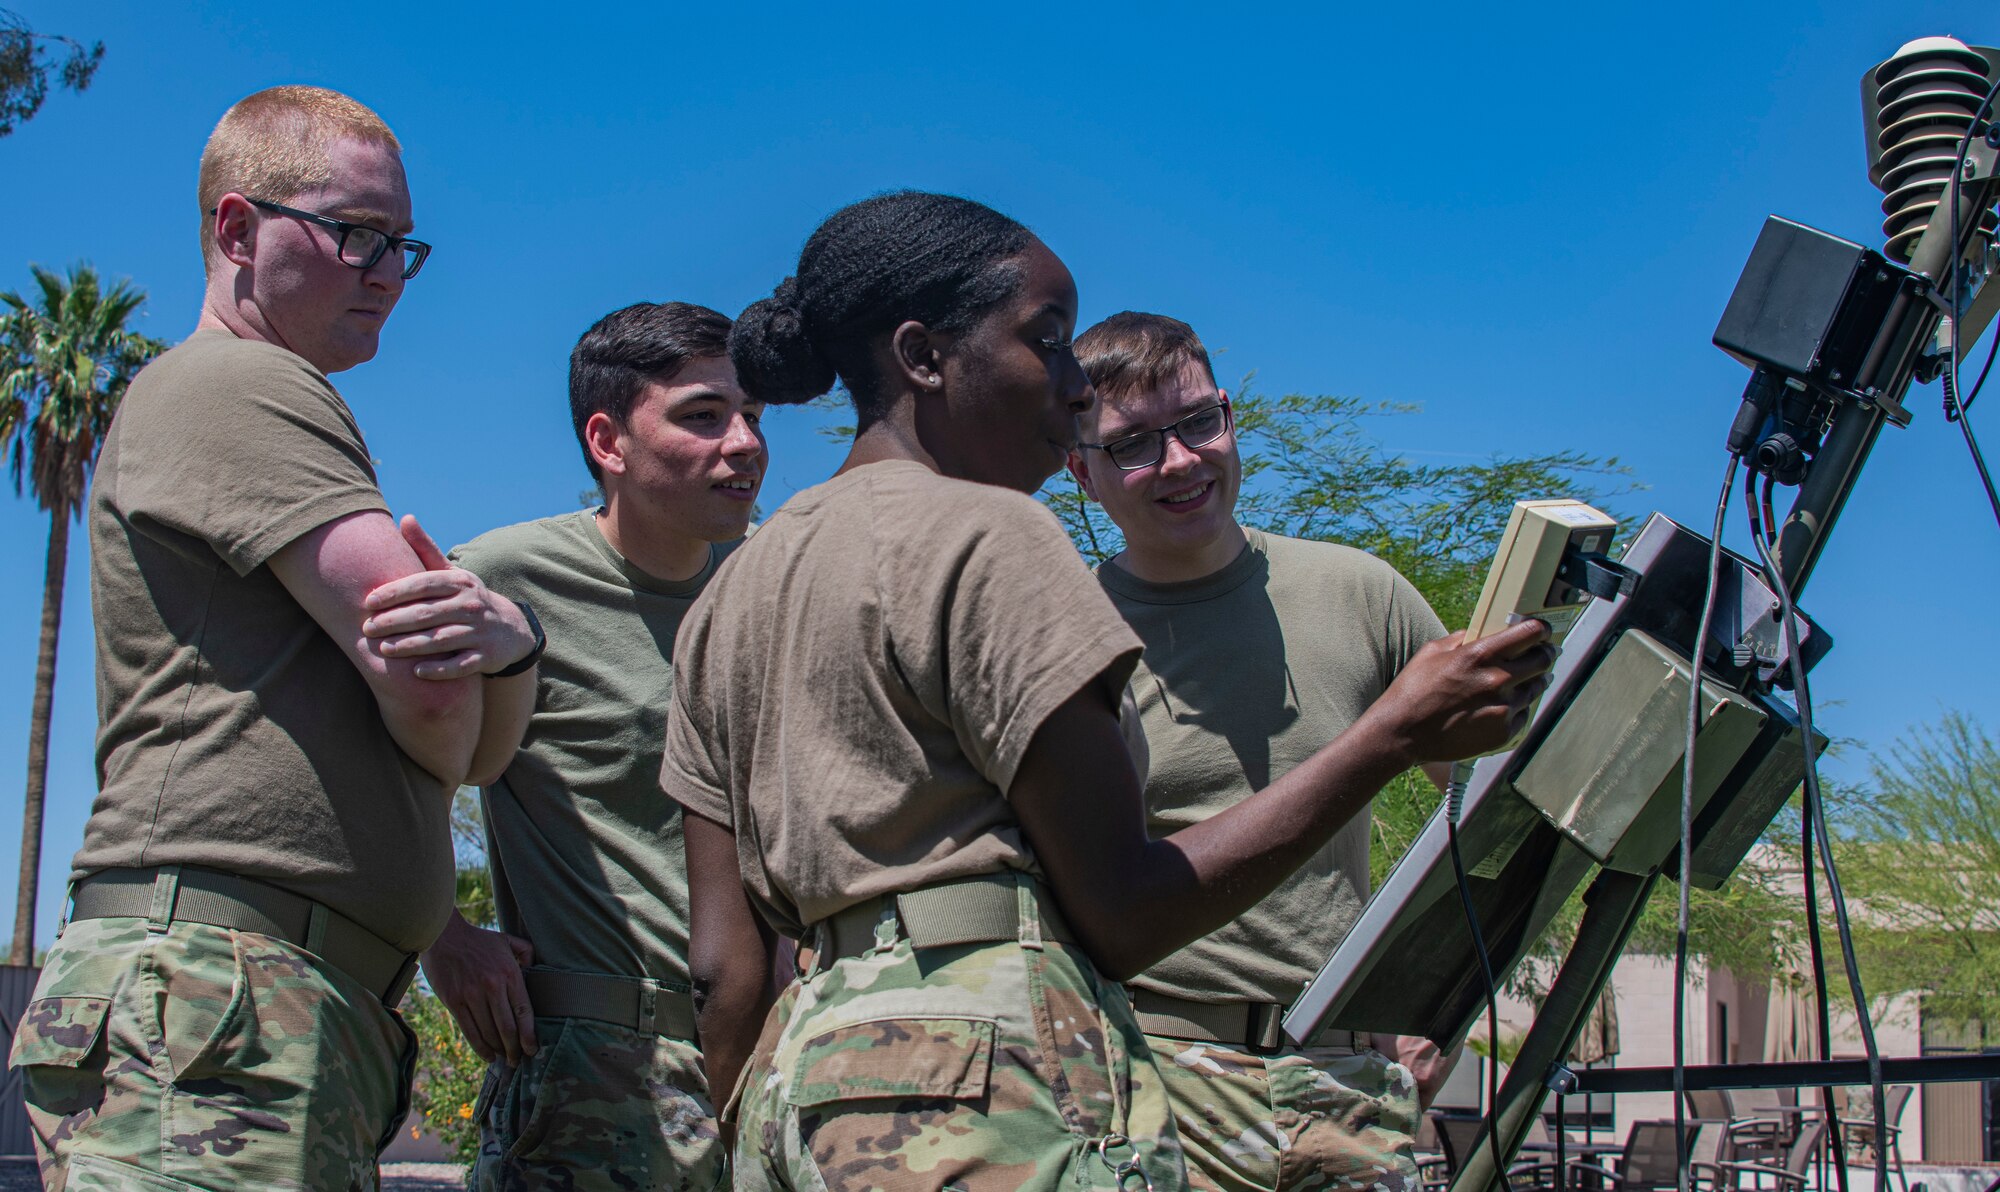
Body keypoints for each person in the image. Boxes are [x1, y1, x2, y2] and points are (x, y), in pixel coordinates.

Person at [662, 190, 1555, 1192]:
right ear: (921, 356)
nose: (1068, 387)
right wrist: (1387, 737)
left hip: (801, 1085)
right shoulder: (991, 533)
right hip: (982, 1091)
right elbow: (1124, 910)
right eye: (1044, 343)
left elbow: (722, 969)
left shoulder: (725, 597)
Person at [8, 85, 540, 1191]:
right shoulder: (240, 380)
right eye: (355, 234)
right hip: (218, 998)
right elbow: (445, 708)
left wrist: (507, 648)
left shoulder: (254, 393)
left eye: (402, 244)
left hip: (253, 1000)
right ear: (238, 231)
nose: (387, 272)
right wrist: (479, 672)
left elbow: (469, 739)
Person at [1066, 311, 1461, 1192]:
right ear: (1080, 470)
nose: (1179, 462)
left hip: (1346, 1080)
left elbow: (1486, 814)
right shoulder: (1064, 637)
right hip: (1149, 1075)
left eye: (1198, 422)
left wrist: (1446, 1000)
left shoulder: (1362, 593)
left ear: (1231, 419)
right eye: (1132, 444)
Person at [423, 301, 763, 1190]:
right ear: (609, 442)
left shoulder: (774, 584)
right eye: (704, 415)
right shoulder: (502, 577)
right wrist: (440, 932)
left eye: (753, 415)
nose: (745, 442)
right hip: (593, 1079)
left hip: (773, 1068)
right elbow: (360, 762)